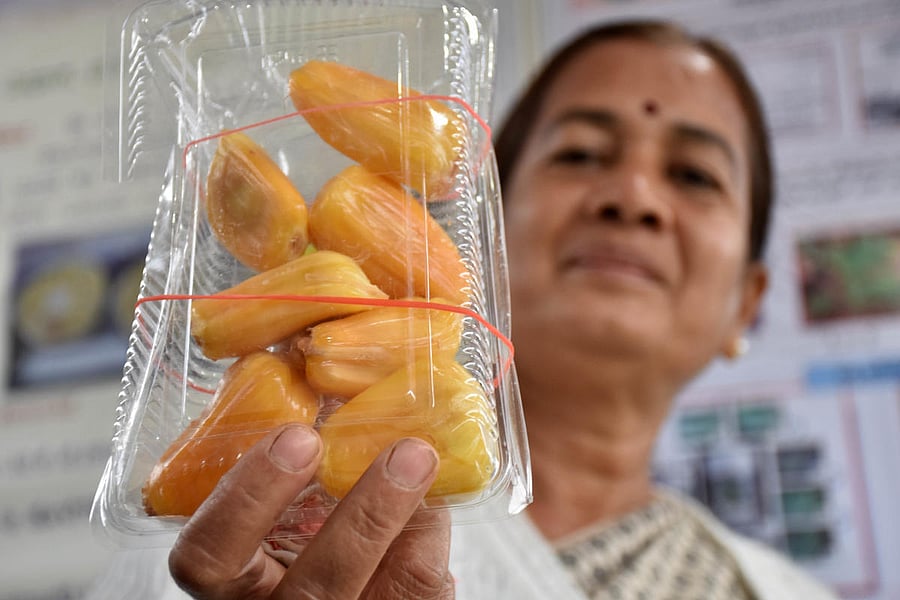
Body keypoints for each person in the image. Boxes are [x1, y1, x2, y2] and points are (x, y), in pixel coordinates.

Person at [90, 18, 840, 600]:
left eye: (693, 175)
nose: (634, 199)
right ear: (487, 231)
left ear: (748, 304)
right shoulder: (246, 531)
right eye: (579, 154)